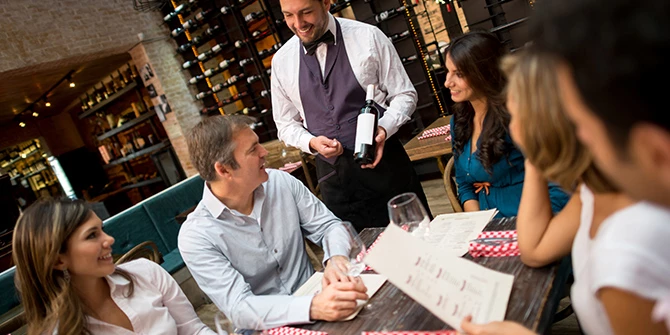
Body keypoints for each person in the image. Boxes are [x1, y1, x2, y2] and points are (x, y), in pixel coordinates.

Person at [460, 50, 670, 335]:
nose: (512, 128)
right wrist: (535, 158)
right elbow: (534, 250)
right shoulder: (593, 192)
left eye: (516, 115)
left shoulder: (626, 249)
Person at [178, 115, 368, 330]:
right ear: (224, 170)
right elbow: (240, 308)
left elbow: (328, 227)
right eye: (253, 149)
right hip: (264, 327)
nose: (264, 152)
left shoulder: (281, 182)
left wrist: (336, 258)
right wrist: (314, 307)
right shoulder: (196, 236)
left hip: (317, 295)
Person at [270, 0, 430, 231]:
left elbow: (405, 94)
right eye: (289, 16)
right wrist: (311, 142)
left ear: (326, 3)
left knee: (418, 248)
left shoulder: (368, 37)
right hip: (334, 180)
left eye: (306, 13)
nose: (298, 24)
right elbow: (285, 124)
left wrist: (384, 128)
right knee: (361, 258)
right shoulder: (282, 61)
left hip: (387, 166)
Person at [12, 198, 215, 335]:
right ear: (58, 260)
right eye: (92, 235)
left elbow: (193, 329)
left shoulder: (147, 272)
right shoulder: (60, 330)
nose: (109, 239)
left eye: (103, 229)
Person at [444, 31, 568, 217]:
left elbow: (559, 186)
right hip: (489, 226)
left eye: (458, 74)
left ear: (484, 73)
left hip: (527, 220)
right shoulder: (460, 121)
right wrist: (480, 225)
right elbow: (464, 183)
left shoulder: (517, 117)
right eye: (448, 71)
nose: (447, 83)